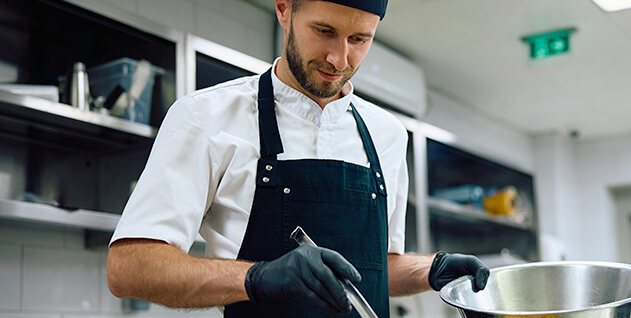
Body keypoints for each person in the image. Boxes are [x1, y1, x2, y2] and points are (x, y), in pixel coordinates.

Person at [105, 0, 489, 317]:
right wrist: (257, 278)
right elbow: (129, 267)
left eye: (359, 39)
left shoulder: (386, 134)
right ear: (284, 10)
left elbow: (372, 269)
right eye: (324, 31)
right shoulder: (205, 116)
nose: (339, 58)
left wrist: (430, 269)